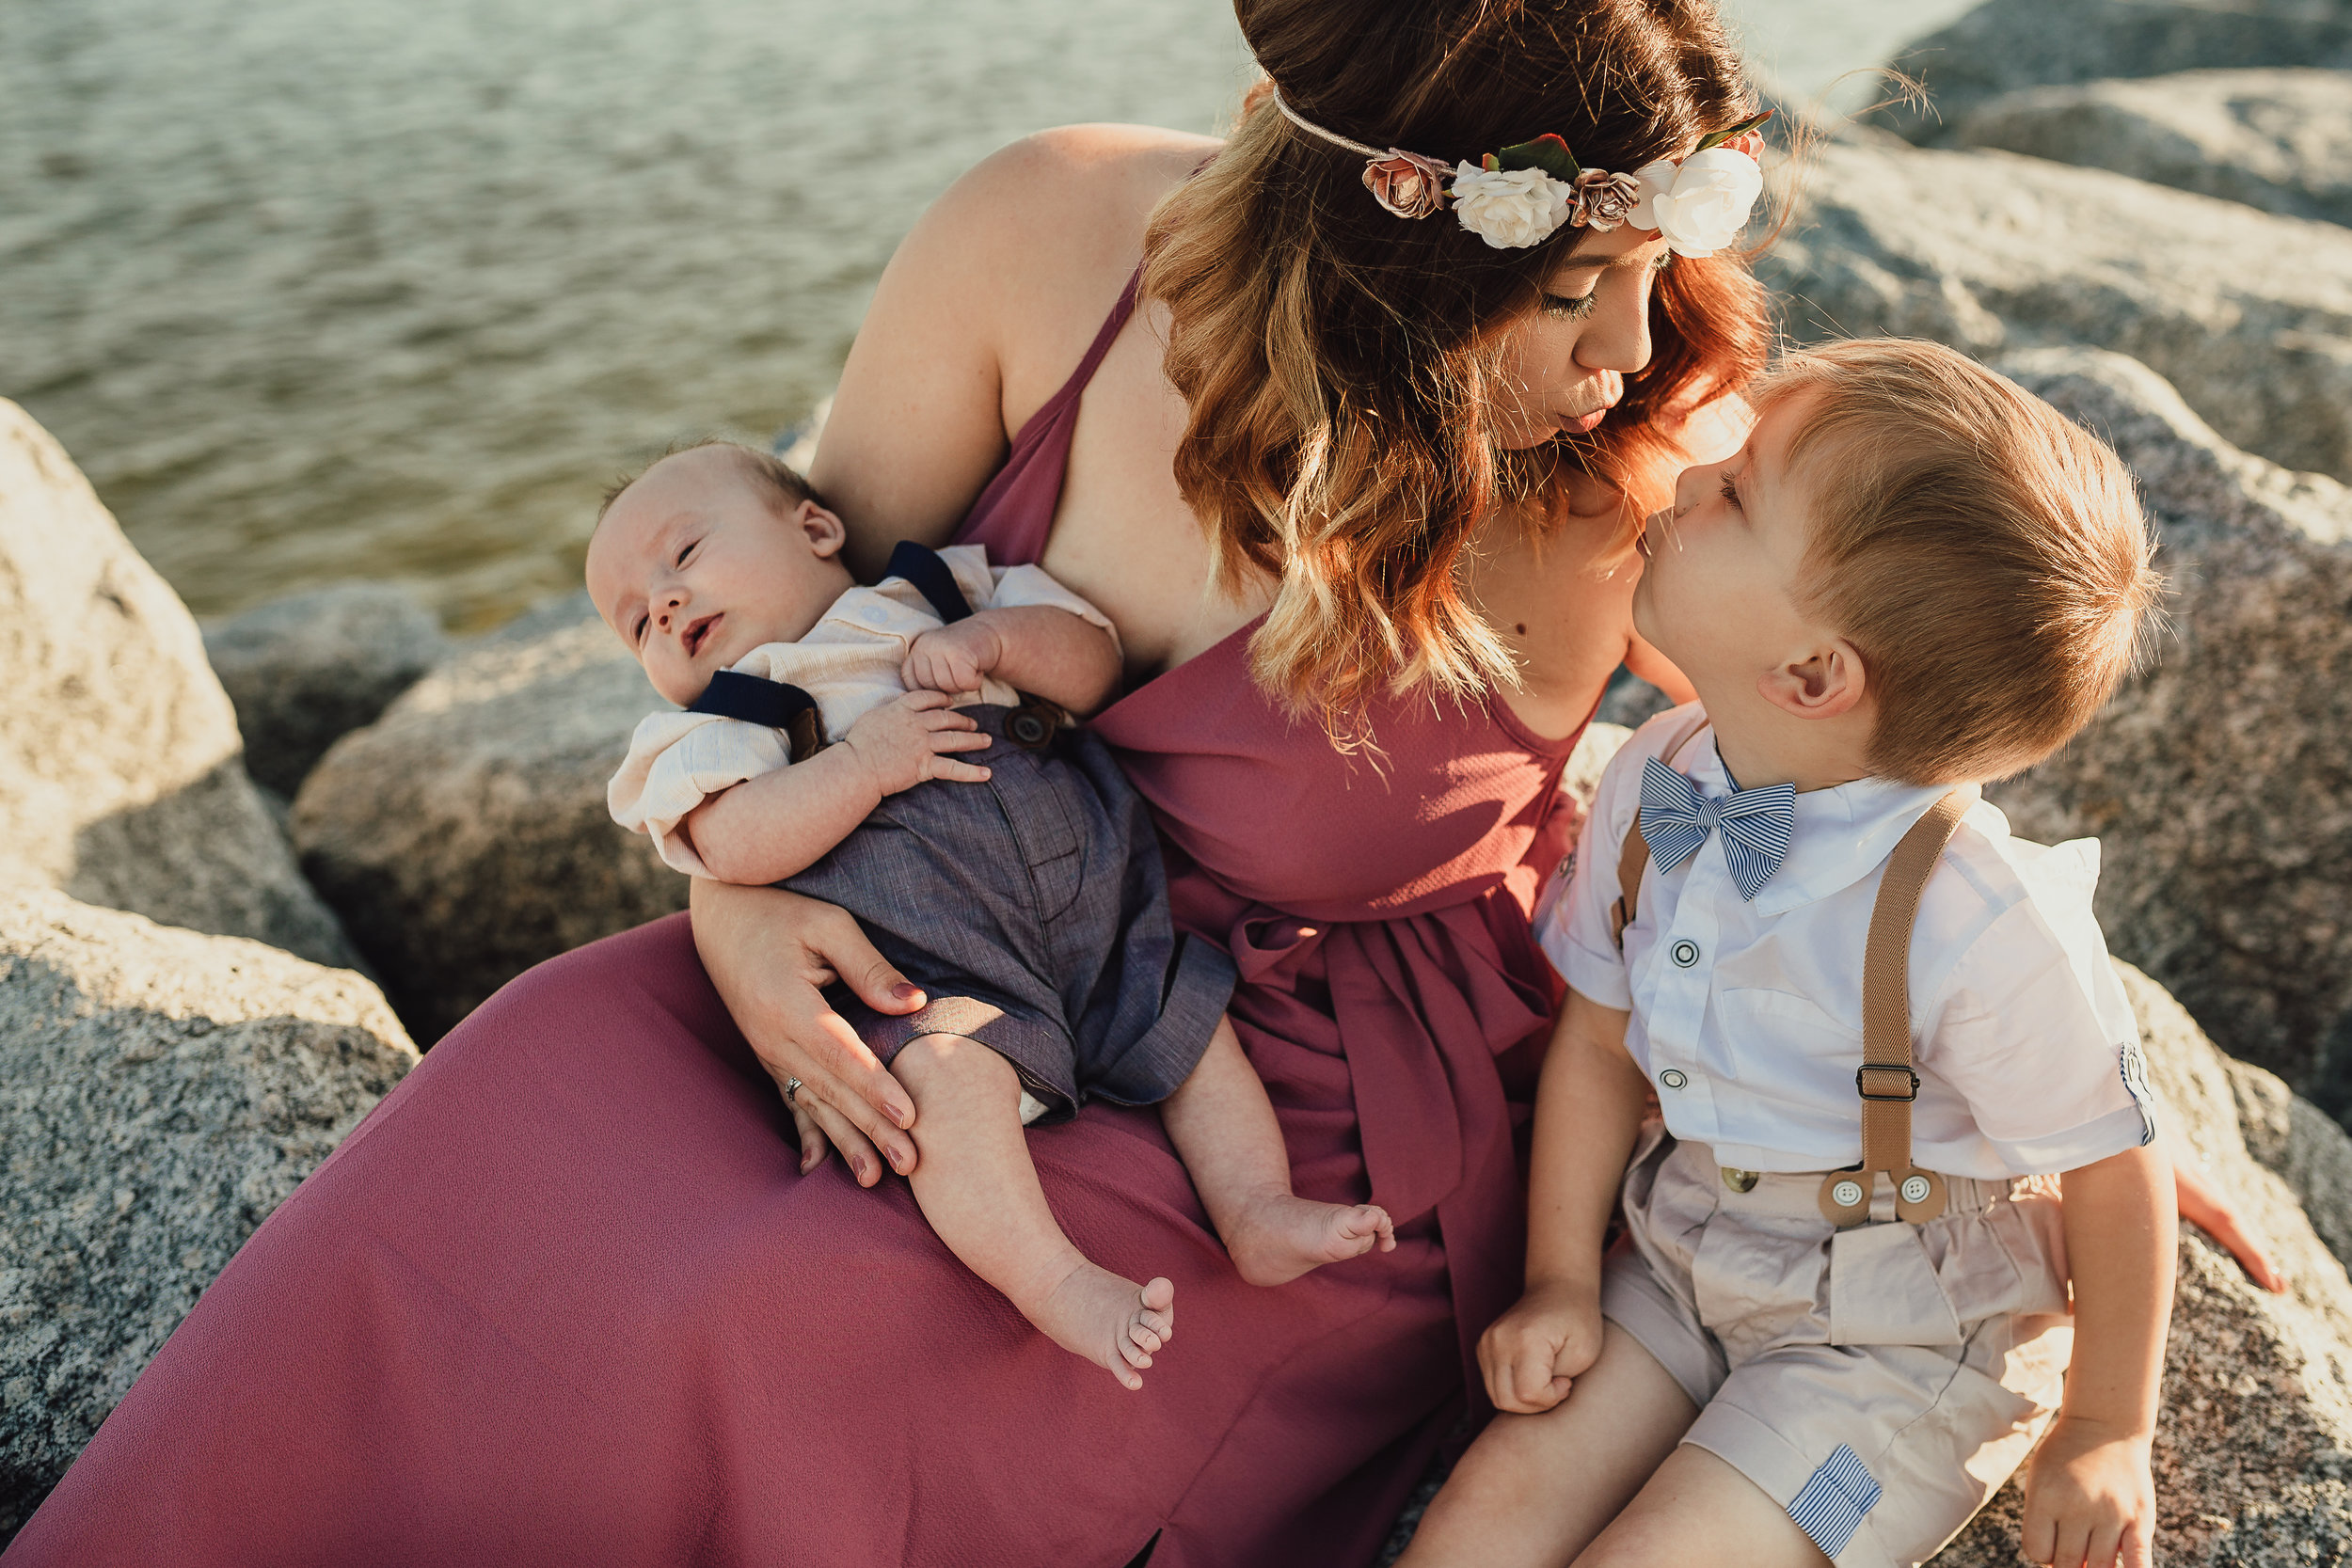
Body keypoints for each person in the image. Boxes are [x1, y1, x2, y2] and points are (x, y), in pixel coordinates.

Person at [2, 3, 2273, 1563]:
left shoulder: (1624, 453)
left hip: (1298, 1088)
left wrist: (2017, 1109)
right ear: (1387, 257)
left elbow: (1834, 774)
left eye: (1647, 274)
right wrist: (732, 899)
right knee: (524, 1104)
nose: (1626, 349)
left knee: (800, 1321)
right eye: (1575, 292)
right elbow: (802, 612)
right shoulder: (1032, 240)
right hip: (937, 919)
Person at [1399, 340, 2173, 1568]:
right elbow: (1599, 1036)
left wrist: (2103, 1425)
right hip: (1685, 1246)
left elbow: (2115, 1168)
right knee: (1473, 1531)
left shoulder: (1973, 910)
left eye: (1740, 492)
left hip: (1899, 1330)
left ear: (1813, 671)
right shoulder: (1663, 771)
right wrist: (1558, 1276)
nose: (1694, 475)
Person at [589, 440, 1394, 1388]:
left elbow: (1093, 665)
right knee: (940, 1086)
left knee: (1193, 1027)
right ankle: (1053, 1280)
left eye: (681, 558)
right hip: (946, 977)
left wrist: (999, 644)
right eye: (636, 620)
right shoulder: (724, 722)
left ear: (814, 528)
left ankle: (1256, 1207)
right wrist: (857, 768)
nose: (666, 604)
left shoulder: (947, 587)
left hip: (1106, 922)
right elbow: (730, 846)